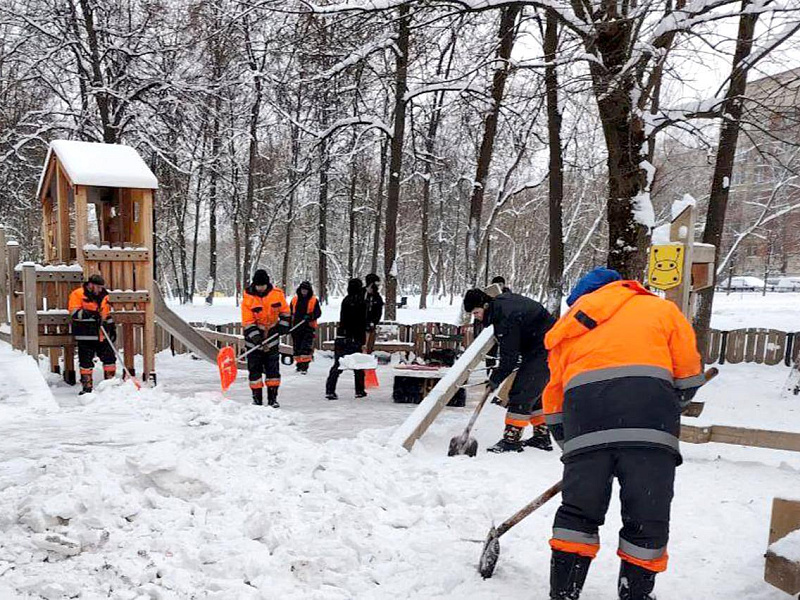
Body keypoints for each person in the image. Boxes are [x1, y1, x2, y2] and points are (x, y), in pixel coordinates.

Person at [543, 268, 704, 600]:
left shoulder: (569, 326)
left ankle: (563, 593)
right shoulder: (662, 310)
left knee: (577, 513)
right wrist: (666, 404)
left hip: (585, 427)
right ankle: (636, 594)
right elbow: (688, 376)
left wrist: (571, 443)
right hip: (650, 430)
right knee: (647, 516)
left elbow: (554, 396)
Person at [463, 286, 555, 453]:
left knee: (521, 392)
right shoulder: (502, 304)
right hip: (545, 345)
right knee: (534, 392)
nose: (476, 317)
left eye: (476, 313)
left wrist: (495, 379)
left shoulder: (505, 317)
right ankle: (541, 437)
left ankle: (511, 440)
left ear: (485, 306)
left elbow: (509, 358)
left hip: (545, 348)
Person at [241, 269, 290, 407]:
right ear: (254, 285)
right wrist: (256, 337)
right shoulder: (248, 298)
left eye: (262, 285)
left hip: (272, 336)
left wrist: (283, 325)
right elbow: (248, 321)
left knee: (272, 369)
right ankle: (257, 399)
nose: (260, 288)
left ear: (267, 284)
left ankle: (272, 399)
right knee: (254, 370)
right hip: (254, 340)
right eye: (258, 286)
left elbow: (285, 312)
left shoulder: (277, 294)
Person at [69, 274, 116, 395]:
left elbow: (106, 314)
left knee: (110, 359)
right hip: (85, 334)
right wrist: (90, 314)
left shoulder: (105, 296)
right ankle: (87, 387)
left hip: (102, 334)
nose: (100, 290)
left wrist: (111, 327)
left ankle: (110, 385)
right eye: (98, 287)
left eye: (101, 287)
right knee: (85, 361)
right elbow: (74, 313)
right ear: (91, 285)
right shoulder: (78, 294)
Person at [326, 278, 368, 400]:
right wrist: (362, 341)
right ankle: (359, 390)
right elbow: (361, 322)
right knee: (358, 365)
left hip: (342, 336)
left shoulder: (346, 300)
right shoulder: (361, 302)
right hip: (354, 338)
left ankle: (330, 390)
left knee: (338, 365)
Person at [290, 281, 322, 374]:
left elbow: (318, 313)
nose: (304, 292)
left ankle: (304, 366)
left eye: (306, 290)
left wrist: (311, 316)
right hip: (296, 327)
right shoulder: (294, 300)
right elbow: (289, 313)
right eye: (302, 290)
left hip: (308, 327)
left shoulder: (314, 300)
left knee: (305, 347)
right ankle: (299, 365)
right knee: (297, 348)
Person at [364, 273, 384, 354]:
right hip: (359, 327)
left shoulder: (377, 297)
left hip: (371, 326)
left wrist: (373, 322)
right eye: (376, 283)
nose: (378, 286)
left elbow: (378, 311)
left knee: (369, 347)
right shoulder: (361, 294)